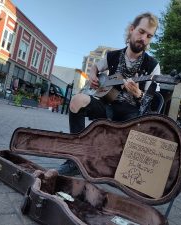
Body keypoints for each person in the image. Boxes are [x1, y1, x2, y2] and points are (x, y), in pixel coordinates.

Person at [58, 12, 161, 175]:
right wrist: (92, 75)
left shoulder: (153, 65)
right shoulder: (112, 56)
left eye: (149, 36)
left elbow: (154, 102)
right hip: (106, 106)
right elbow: (95, 68)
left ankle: (121, 170)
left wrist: (138, 93)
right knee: (77, 100)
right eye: (141, 32)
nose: (144, 39)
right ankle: (75, 159)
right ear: (132, 29)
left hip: (130, 116)